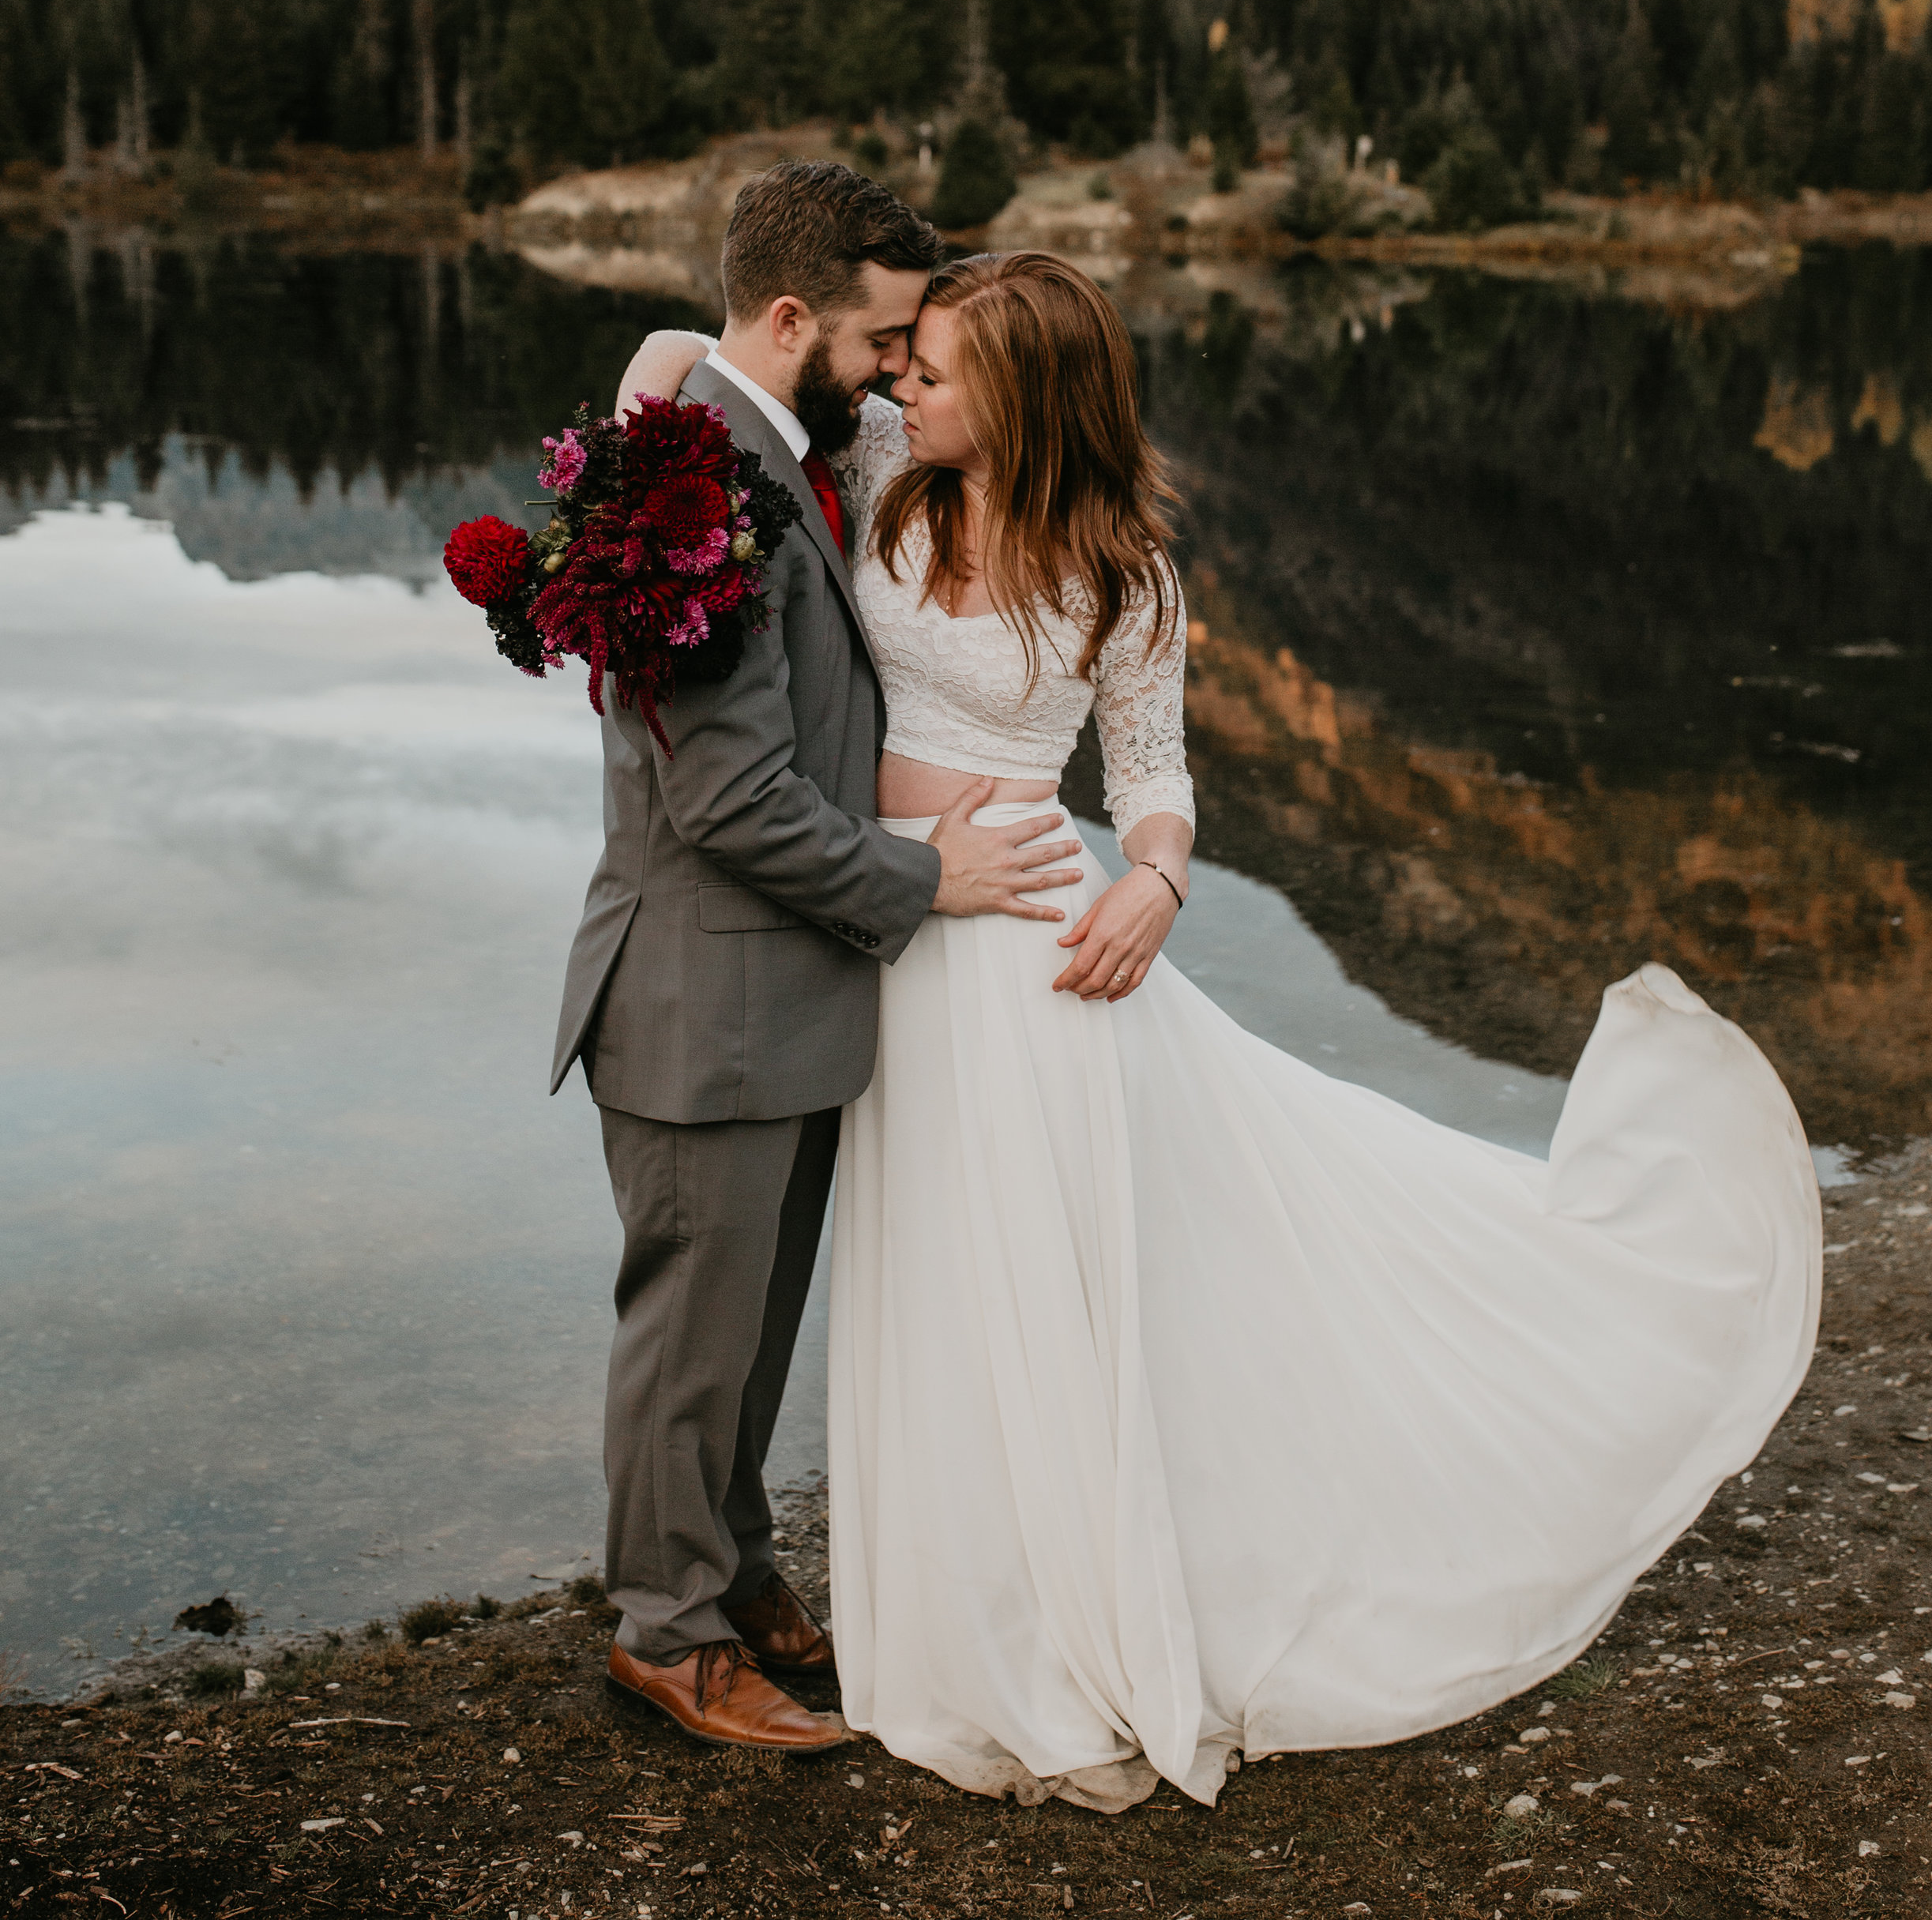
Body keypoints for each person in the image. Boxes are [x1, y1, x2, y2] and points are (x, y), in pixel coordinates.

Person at [618, 246, 1822, 1811]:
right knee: (929, 1281)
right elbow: (671, 362)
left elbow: (1152, 778)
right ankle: (944, 1597)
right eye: (900, 360)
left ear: (1025, 399)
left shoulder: (1124, 577)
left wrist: (1161, 886)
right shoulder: (878, 469)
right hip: (898, 930)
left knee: (1039, 1289)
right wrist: (662, 413)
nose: (901, 384)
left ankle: (1053, 1617)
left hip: (1036, 947)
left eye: (935, 369)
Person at [554, 164, 1084, 1756]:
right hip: (697, 992)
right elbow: (728, 800)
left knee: (748, 1329)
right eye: (878, 339)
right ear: (791, 321)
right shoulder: (696, 493)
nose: (892, 371)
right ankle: (664, 1636)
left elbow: (675, 345)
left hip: (771, 996)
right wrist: (929, 877)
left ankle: (736, 1583)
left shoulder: (758, 442)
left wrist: (670, 368)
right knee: (689, 1335)